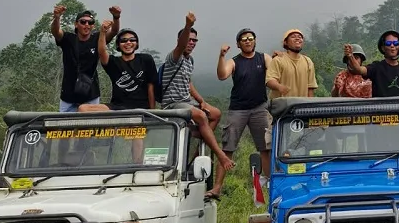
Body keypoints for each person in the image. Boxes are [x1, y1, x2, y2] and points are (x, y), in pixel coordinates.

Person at [162, 12, 234, 172]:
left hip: (187, 101)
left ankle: (195, 155)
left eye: (195, 40)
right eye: (189, 39)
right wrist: (188, 26)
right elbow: (181, 45)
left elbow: (188, 83)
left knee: (215, 113)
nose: (192, 42)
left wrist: (201, 100)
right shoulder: (175, 57)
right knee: (201, 116)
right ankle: (220, 155)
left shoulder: (190, 60)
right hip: (172, 104)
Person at [208, 28, 272, 198]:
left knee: (266, 147)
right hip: (238, 109)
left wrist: (280, 56)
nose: (248, 41)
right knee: (228, 148)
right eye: (243, 39)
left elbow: (275, 73)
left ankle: (271, 185)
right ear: (238, 44)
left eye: (250, 38)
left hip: (260, 108)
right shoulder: (234, 61)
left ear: (255, 41)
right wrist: (222, 56)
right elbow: (222, 75)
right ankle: (217, 187)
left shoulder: (264, 58)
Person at [51, 5, 121, 112]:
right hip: (68, 96)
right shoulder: (68, 39)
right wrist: (57, 18)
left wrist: (116, 17)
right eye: (83, 22)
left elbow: (114, 32)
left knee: (91, 127)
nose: (87, 25)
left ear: (93, 26)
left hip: (90, 95)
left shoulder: (98, 38)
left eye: (90, 22)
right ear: (76, 24)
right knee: (65, 127)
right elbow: (56, 32)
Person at [80, 23, 157, 111]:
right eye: (123, 40)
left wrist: (152, 111)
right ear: (118, 45)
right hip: (118, 106)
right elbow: (101, 52)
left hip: (141, 107)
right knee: (83, 109)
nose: (128, 43)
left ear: (137, 43)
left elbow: (151, 87)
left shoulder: (146, 59)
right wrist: (102, 32)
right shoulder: (113, 62)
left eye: (132, 40)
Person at [343, 31, 399, 98]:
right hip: (379, 112)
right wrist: (350, 56)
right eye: (388, 43)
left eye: (396, 43)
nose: (392, 46)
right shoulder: (376, 67)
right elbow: (358, 70)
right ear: (383, 48)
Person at [265, 29, 318, 98]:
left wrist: (310, 105)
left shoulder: (308, 61)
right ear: (285, 42)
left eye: (300, 37)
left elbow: (310, 87)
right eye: (293, 36)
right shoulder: (278, 59)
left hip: (301, 106)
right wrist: (279, 87)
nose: (297, 38)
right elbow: (269, 80)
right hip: (281, 106)